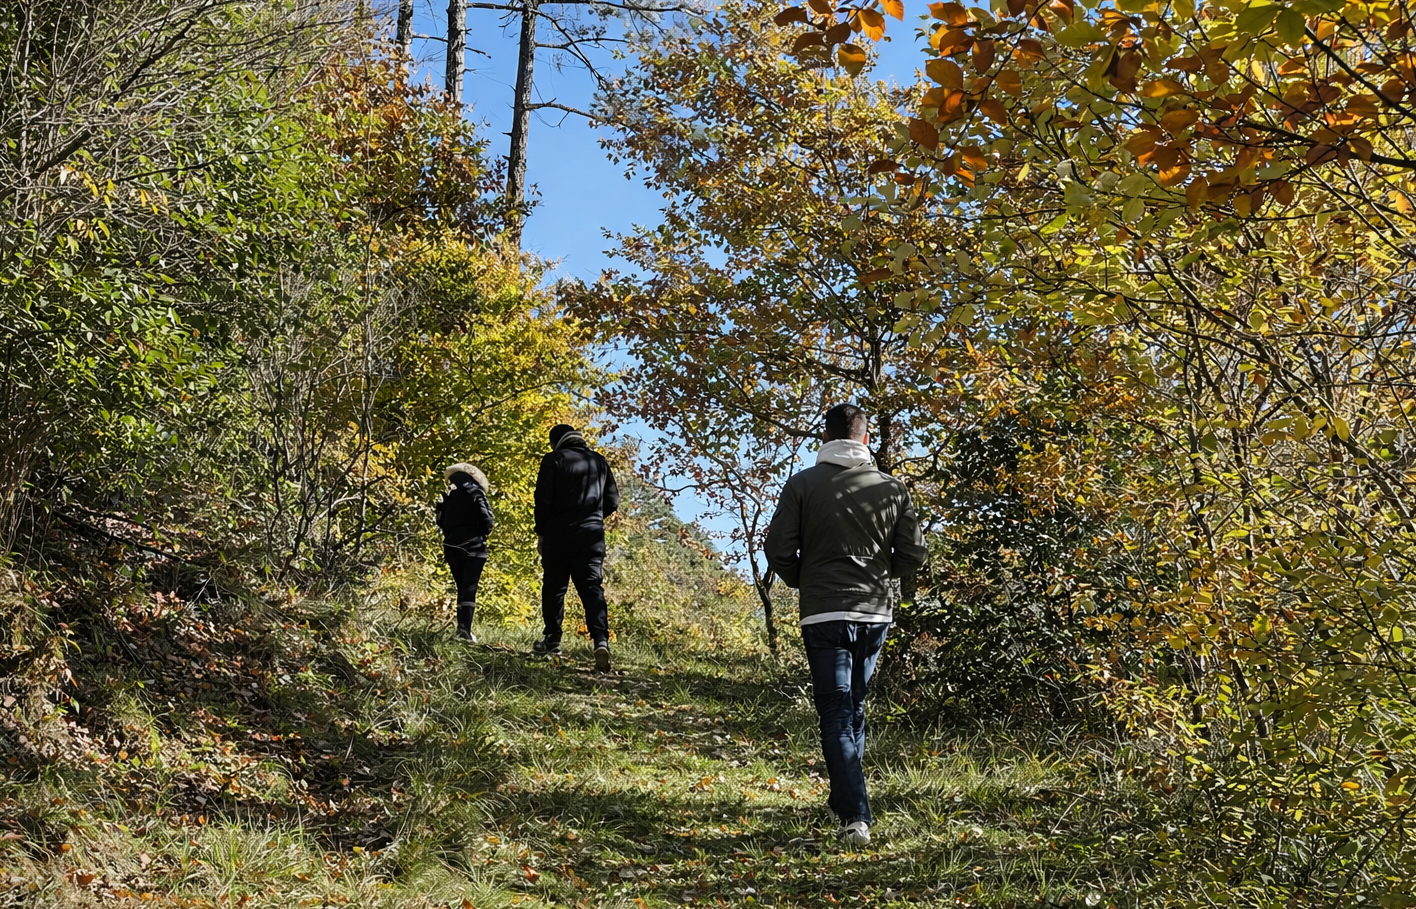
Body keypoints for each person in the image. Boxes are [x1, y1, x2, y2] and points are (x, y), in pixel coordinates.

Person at [765, 403, 927, 847]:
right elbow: (914, 554)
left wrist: (805, 578)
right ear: (866, 438)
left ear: (826, 436)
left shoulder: (802, 485)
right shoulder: (891, 488)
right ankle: (846, 804)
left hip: (822, 612)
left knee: (838, 710)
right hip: (874, 612)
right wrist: (877, 574)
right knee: (852, 707)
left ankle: (855, 813)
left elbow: (778, 547)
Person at [532, 424, 621, 671]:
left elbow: (543, 499)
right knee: (592, 588)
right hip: (590, 537)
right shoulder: (599, 462)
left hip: (558, 535)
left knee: (554, 588)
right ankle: (601, 641)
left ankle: (552, 641)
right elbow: (613, 500)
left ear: (556, 442)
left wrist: (541, 531)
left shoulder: (553, 459)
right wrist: (591, 517)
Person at [435, 463, 494, 643]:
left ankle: (462, 629)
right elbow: (488, 520)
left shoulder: (445, 496)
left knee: (461, 587)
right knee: (469, 587)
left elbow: (440, 522)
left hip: (452, 546)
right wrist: (481, 533)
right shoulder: (476, 492)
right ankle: (464, 630)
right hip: (474, 546)